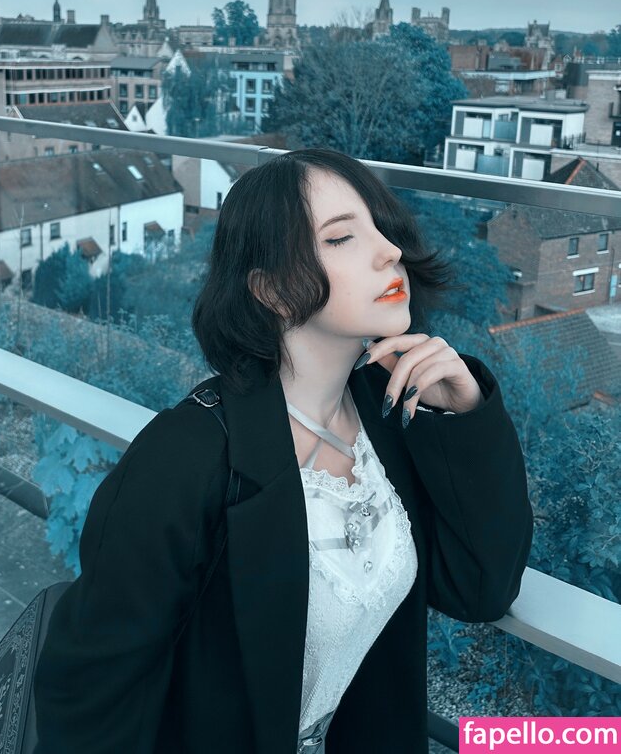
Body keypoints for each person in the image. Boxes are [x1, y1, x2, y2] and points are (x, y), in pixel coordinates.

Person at [33, 147, 534, 754]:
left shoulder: (387, 414)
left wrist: (465, 414)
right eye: (342, 238)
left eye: (383, 229)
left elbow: (480, 589)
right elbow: (87, 702)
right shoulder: (184, 458)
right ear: (272, 290)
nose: (389, 252)